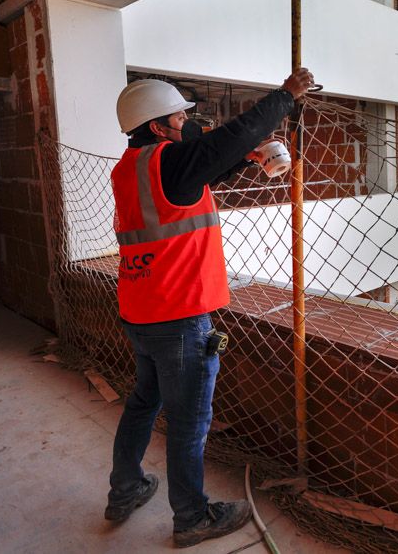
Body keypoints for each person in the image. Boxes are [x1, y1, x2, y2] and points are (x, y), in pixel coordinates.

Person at [105, 68, 315, 548]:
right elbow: (223, 142)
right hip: (179, 317)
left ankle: (125, 491)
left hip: (141, 311)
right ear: (158, 128)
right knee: (189, 420)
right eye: (179, 116)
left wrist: (247, 158)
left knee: (142, 403)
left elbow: (207, 166)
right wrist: (285, 97)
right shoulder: (170, 162)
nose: (186, 121)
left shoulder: (131, 166)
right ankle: (193, 517)